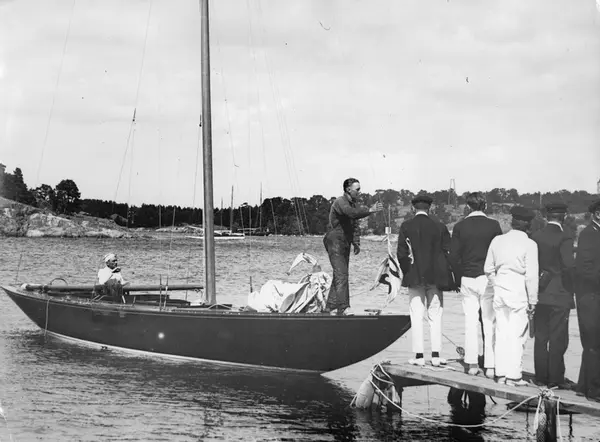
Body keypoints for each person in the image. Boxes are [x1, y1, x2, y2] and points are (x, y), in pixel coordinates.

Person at [449, 192, 503, 377]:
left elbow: (453, 256)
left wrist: (458, 278)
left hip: (467, 277)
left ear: (468, 206)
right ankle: (491, 366)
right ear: (484, 206)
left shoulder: (460, 226)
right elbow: (499, 254)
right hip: (487, 278)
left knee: (470, 322)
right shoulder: (494, 225)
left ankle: (472, 364)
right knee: (489, 321)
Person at [484, 206, 538, 386]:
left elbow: (488, 269)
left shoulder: (497, 240)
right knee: (518, 334)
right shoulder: (530, 244)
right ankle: (514, 375)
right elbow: (531, 276)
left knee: (501, 332)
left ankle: (500, 373)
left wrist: (496, 283)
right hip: (518, 289)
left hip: (500, 288)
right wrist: (533, 300)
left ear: (513, 222)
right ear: (528, 224)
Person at [396, 194, 447, 367]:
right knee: (435, 315)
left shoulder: (406, 226)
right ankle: (436, 356)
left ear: (413, 208)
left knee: (416, 315)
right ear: (430, 208)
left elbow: (401, 254)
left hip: (414, 276)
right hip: (435, 277)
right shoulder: (439, 226)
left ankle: (419, 356)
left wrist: (408, 272)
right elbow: (447, 252)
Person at [531, 202, 576, 389]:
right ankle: (555, 378)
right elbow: (569, 265)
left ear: (547, 216)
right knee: (558, 337)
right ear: (563, 217)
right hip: (560, 293)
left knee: (541, 337)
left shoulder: (536, 236)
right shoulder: (565, 236)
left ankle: (540, 376)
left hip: (540, 292)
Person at [323, 178, 383, 316]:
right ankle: (343, 308)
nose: (360, 192)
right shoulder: (340, 202)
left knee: (340, 274)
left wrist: (356, 242)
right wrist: (370, 210)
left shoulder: (353, 204)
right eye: (357, 189)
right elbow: (351, 213)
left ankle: (330, 307)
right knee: (342, 274)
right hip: (334, 241)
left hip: (345, 242)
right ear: (348, 189)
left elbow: (354, 224)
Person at [574, 199, 600, 402]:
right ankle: (594, 390)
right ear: (597, 213)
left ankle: (583, 385)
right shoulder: (589, 234)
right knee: (593, 343)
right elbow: (586, 268)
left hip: (593, 295)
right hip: (590, 296)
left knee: (593, 342)